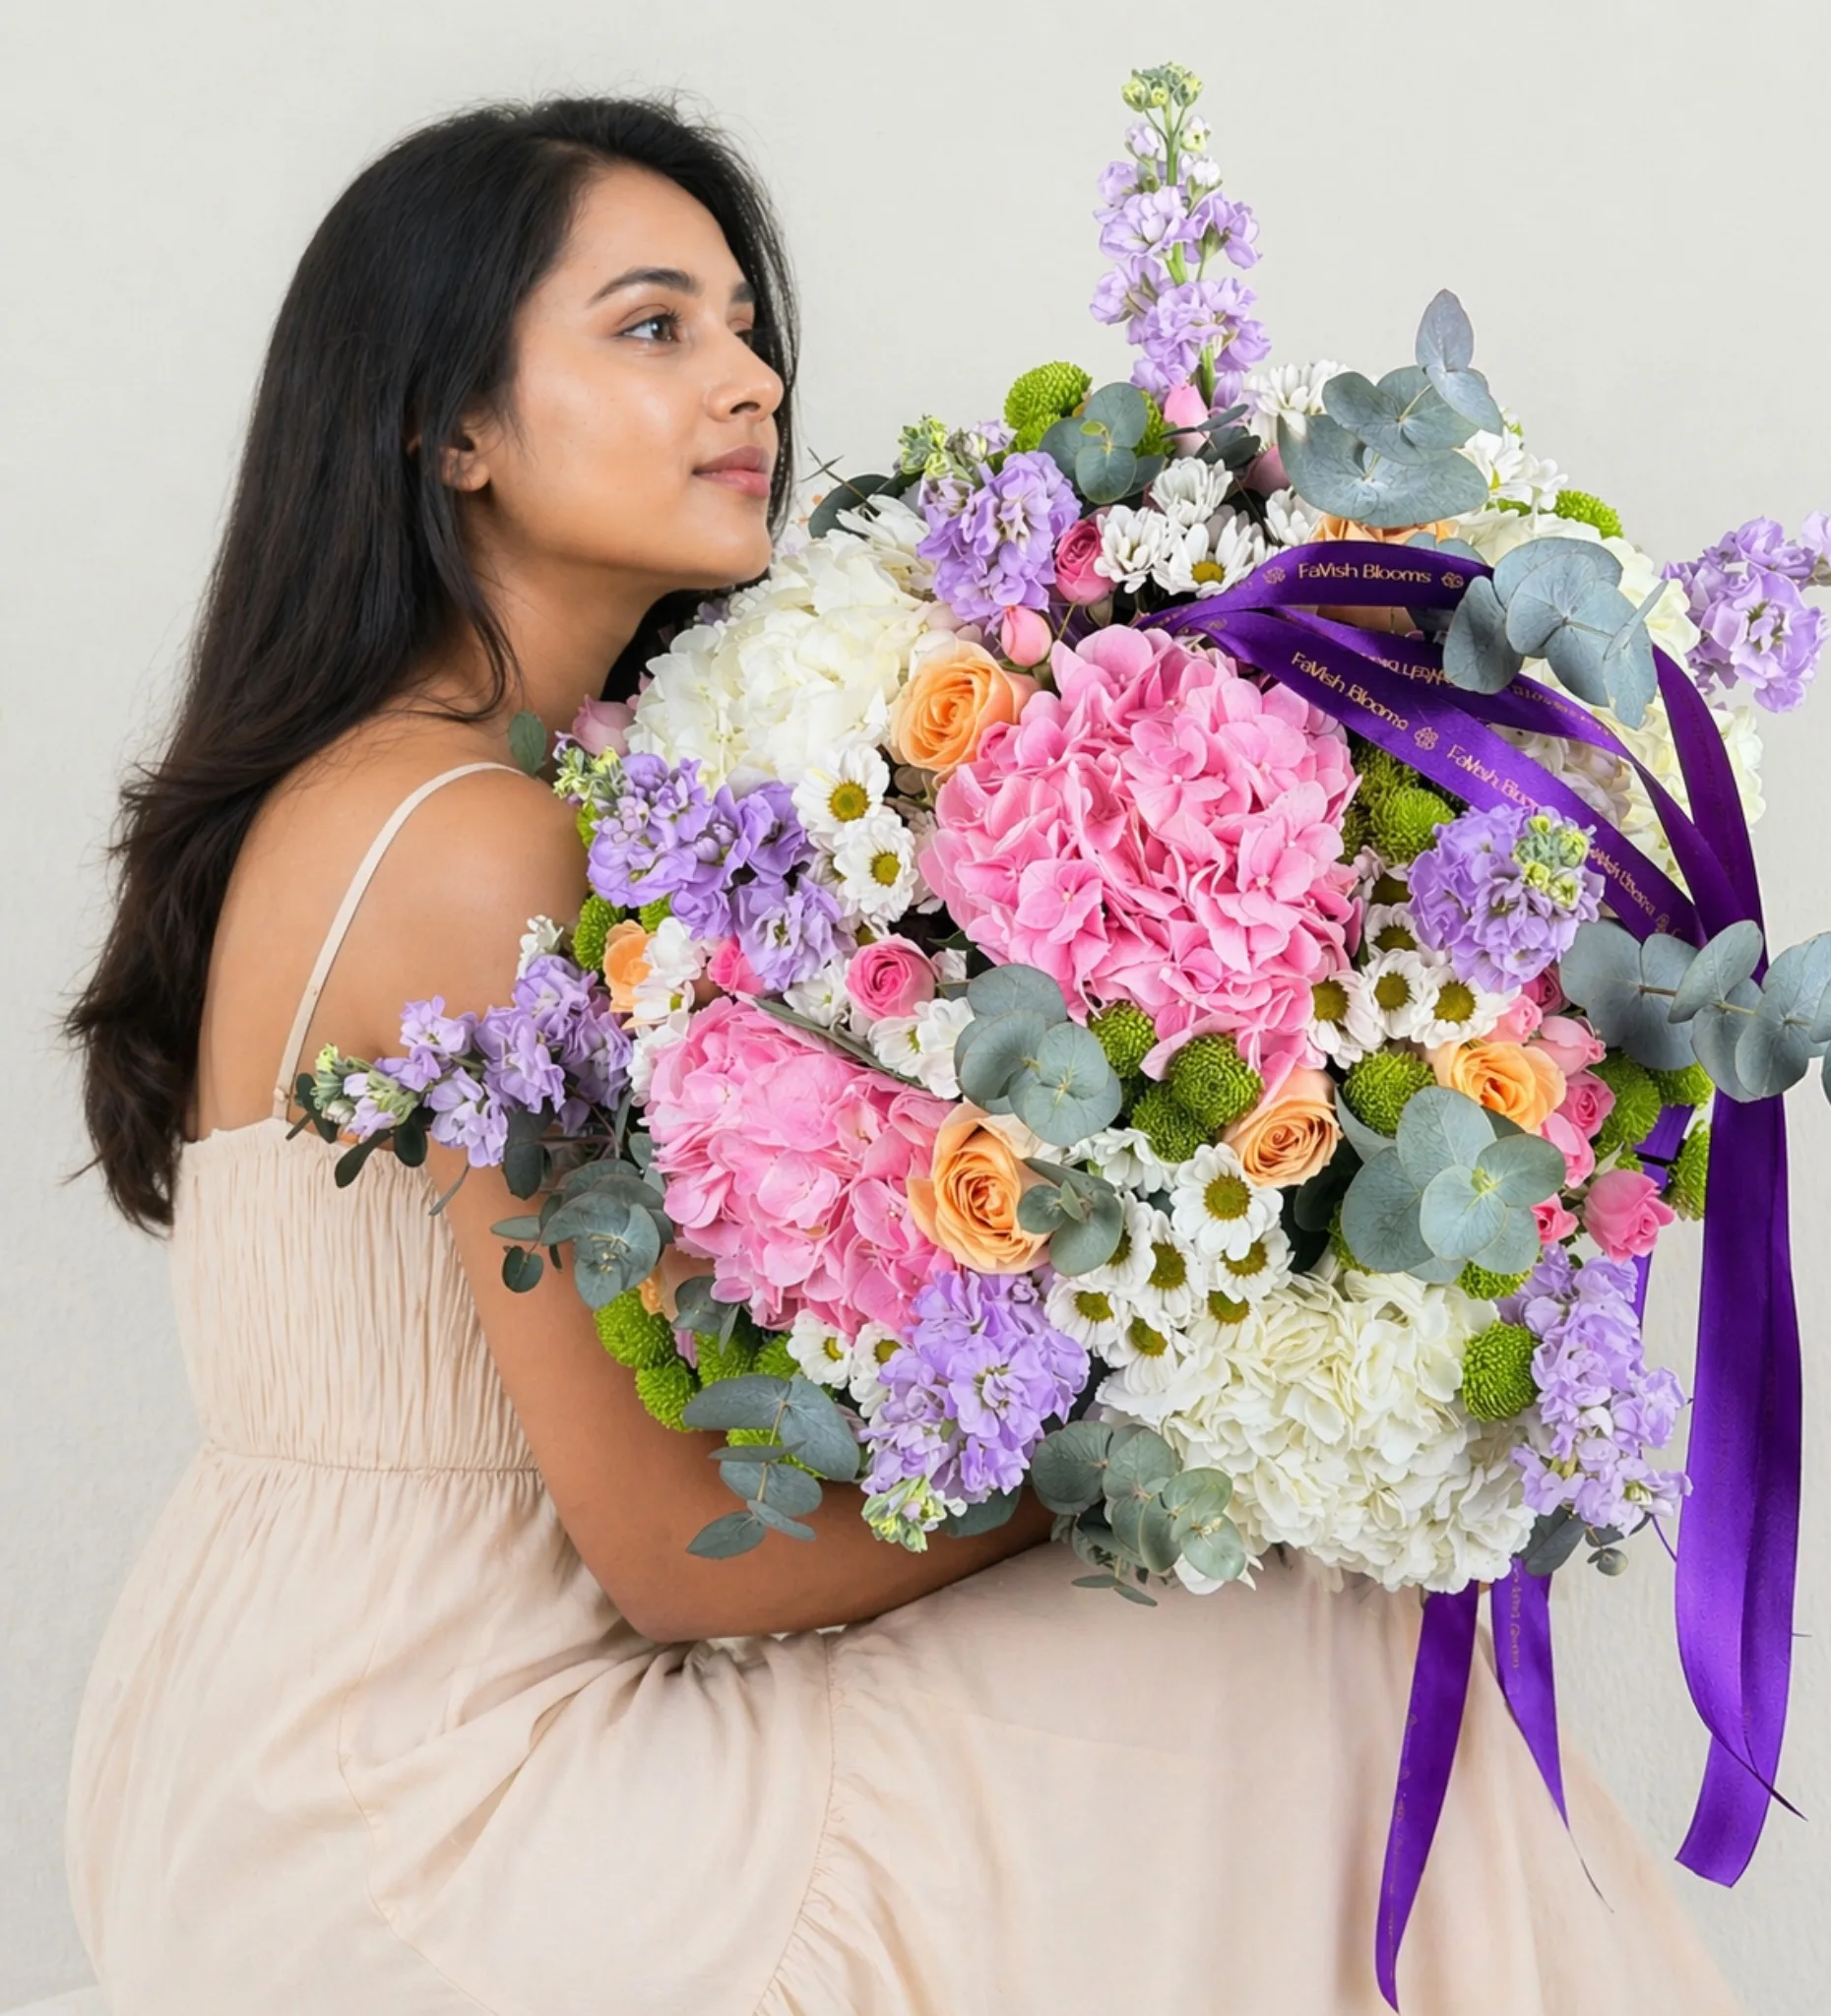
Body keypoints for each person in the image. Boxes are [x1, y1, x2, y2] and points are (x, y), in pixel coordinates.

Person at [60, 94, 1741, 2014]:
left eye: (744, 324)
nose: (747, 378)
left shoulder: (458, 785)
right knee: (1307, 1631)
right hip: (423, 1798)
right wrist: (1197, 1451)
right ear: (451, 428)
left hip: (270, 1727)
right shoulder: (466, 843)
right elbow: (681, 1558)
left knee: (1314, 1643)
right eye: (651, 324)